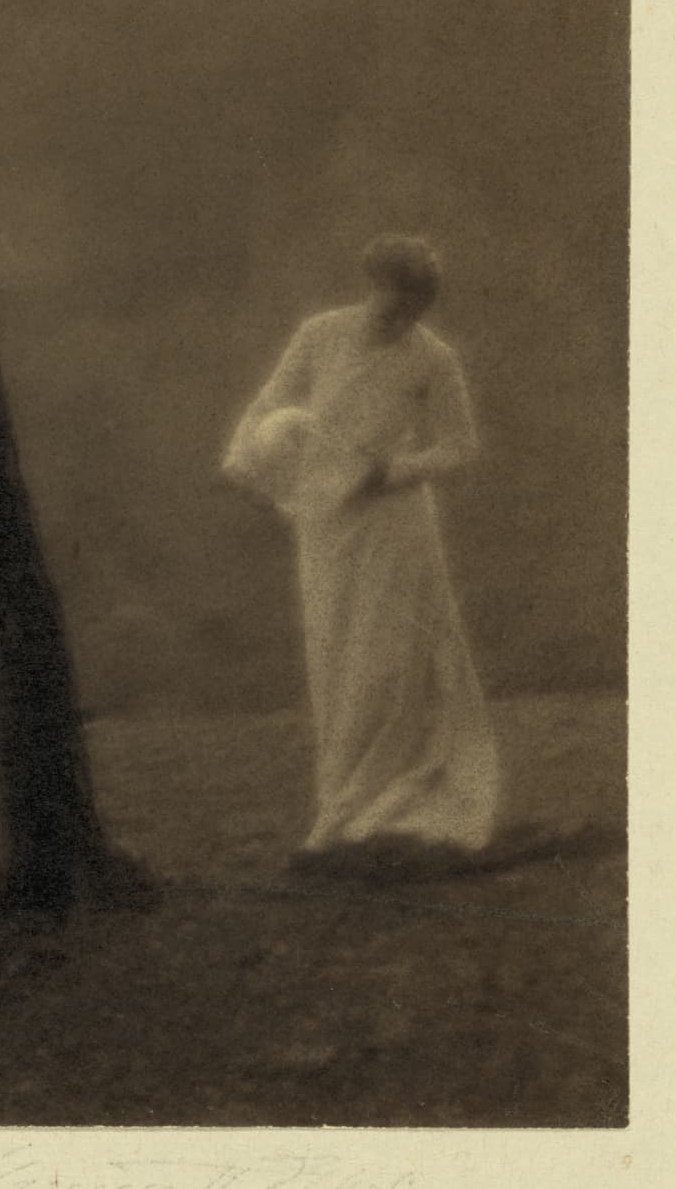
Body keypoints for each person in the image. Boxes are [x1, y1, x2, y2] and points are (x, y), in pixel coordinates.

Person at [222, 235, 499, 874]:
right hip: (325, 523)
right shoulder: (320, 335)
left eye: (412, 307)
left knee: (390, 659)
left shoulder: (434, 359)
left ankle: (396, 794)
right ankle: (343, 800)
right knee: (335, 655)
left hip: (397, 526)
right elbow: (271, 404)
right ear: (371, 285)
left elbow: (460, 446)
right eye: (390, 300)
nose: (398, 317)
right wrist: (248, 467)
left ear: (423, 307)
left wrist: (394, 472)